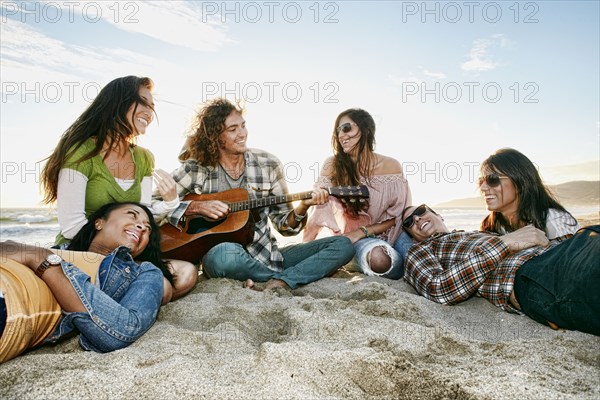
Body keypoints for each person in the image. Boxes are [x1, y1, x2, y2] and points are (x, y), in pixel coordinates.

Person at [152, 98, 354, 290]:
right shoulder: (197, 169)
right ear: (216, 137)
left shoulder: (268, 164)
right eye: (233, 129)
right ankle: (285, 279)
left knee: (343, 245)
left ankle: (278, 281)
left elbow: (285, 227)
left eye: (243, 125)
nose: (242, 134)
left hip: (266, 255)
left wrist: (303, 207)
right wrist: (194, 207)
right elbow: (152, 205)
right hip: (222, 257)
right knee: (224, 255)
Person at [40, 75, 197, 301]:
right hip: (83, 251)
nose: (149, 113)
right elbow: (71, 227)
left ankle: (104, 297)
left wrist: (171, 202)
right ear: (118, 102)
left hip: (125, 253)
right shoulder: (81, 152)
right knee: (160, 287)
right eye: (143, 103)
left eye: (152, 107)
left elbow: (141, 213)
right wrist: (120, 247)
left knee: (187, 272)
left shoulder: (144, 158)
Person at [0, 202, 171, 363]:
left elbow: (123, 330)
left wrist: (42, 261)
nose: (141, 227)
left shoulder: (144, 273)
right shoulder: (58, 251)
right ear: (99, 223)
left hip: (11, 305)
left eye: (147, 228)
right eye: (132, 215)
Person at [401, 204, 599, 336]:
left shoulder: (477, 233)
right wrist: (504, 243)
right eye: (409, 222)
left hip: (564, 250)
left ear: (438, 214)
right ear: (411, 235)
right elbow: (439, 289)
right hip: (532, 275)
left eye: (420, 211)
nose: (417, 219)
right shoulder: (420, 251)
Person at [304, 108, 412, 279]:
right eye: (338, 130)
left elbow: (400, 215)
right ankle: (370, 263)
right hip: (358, 241)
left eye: (346, 128)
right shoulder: (332, 165)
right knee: (380, 259)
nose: (341, 135)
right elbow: (318, 203)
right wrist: (306, 248)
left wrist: (363, 230)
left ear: (365, 129)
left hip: (394, 233)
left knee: (417, 254)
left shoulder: (392, 166)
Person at [479, 148, 579, 241]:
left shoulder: (554, 220)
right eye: (480, 181)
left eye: (493, 180)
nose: (483, 188)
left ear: (521, 183)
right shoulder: (490, 225)